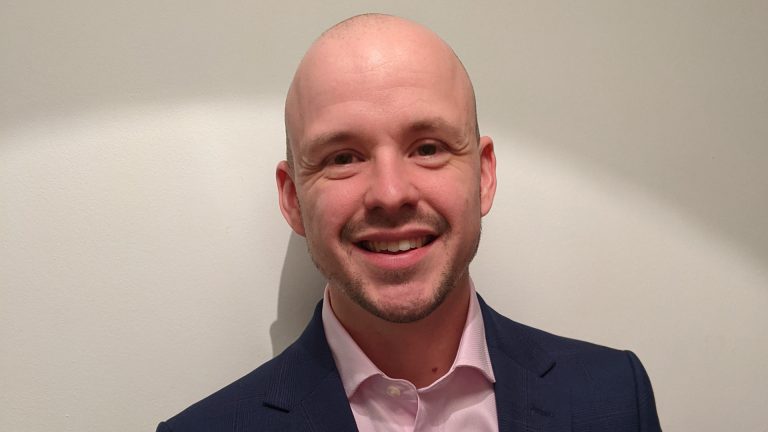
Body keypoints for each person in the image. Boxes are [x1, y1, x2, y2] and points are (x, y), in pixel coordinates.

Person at [157, 14, 661, 432]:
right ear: (292, 199)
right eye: (342, 157)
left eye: (428, 148)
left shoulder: (616, 397)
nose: (391, 194)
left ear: (483, 175)